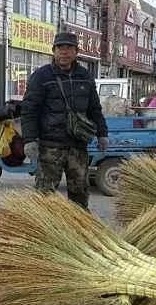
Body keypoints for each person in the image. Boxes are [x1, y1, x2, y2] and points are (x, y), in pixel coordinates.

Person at [21, 32, 108, 210]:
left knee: (80, 194)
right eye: (60, 48)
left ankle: (77, 230)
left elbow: (94, 109)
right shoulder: (41, 76)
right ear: (53, 51)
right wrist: (29, 139)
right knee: (44, 195)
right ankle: (44, 231)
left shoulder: (85, 76)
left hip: (78, 146)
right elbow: (29, 109)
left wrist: (102, 133)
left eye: (69, 48)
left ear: (76, 52)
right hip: (50, 146)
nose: (64, 52)